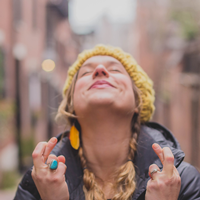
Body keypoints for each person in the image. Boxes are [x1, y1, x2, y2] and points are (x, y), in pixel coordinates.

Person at [14, 45, 200, 200]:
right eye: (86, 72)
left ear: (138, 102)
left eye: (115, 70)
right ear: (71, 106)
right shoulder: (36, 184)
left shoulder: (182, 181)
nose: (99, 70)